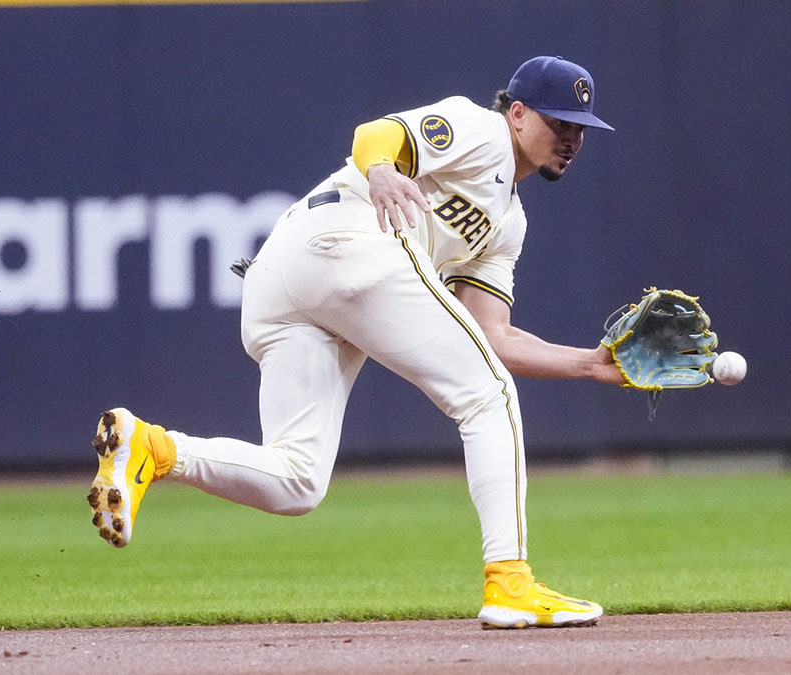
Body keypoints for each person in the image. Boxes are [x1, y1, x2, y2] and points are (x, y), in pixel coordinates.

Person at [87, 55, 625, 629]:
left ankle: (155, 448)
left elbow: (491, 335)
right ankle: (510, 583)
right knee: (487, 399)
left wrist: (590, 365)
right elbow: (377, 135)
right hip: (346, 238)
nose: (570, 138)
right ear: (516, 113)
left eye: (579, 129)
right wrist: (381, 171)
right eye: (558, 122)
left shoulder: (508, 225)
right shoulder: (481, 129)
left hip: (288, 280)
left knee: (296, 481)